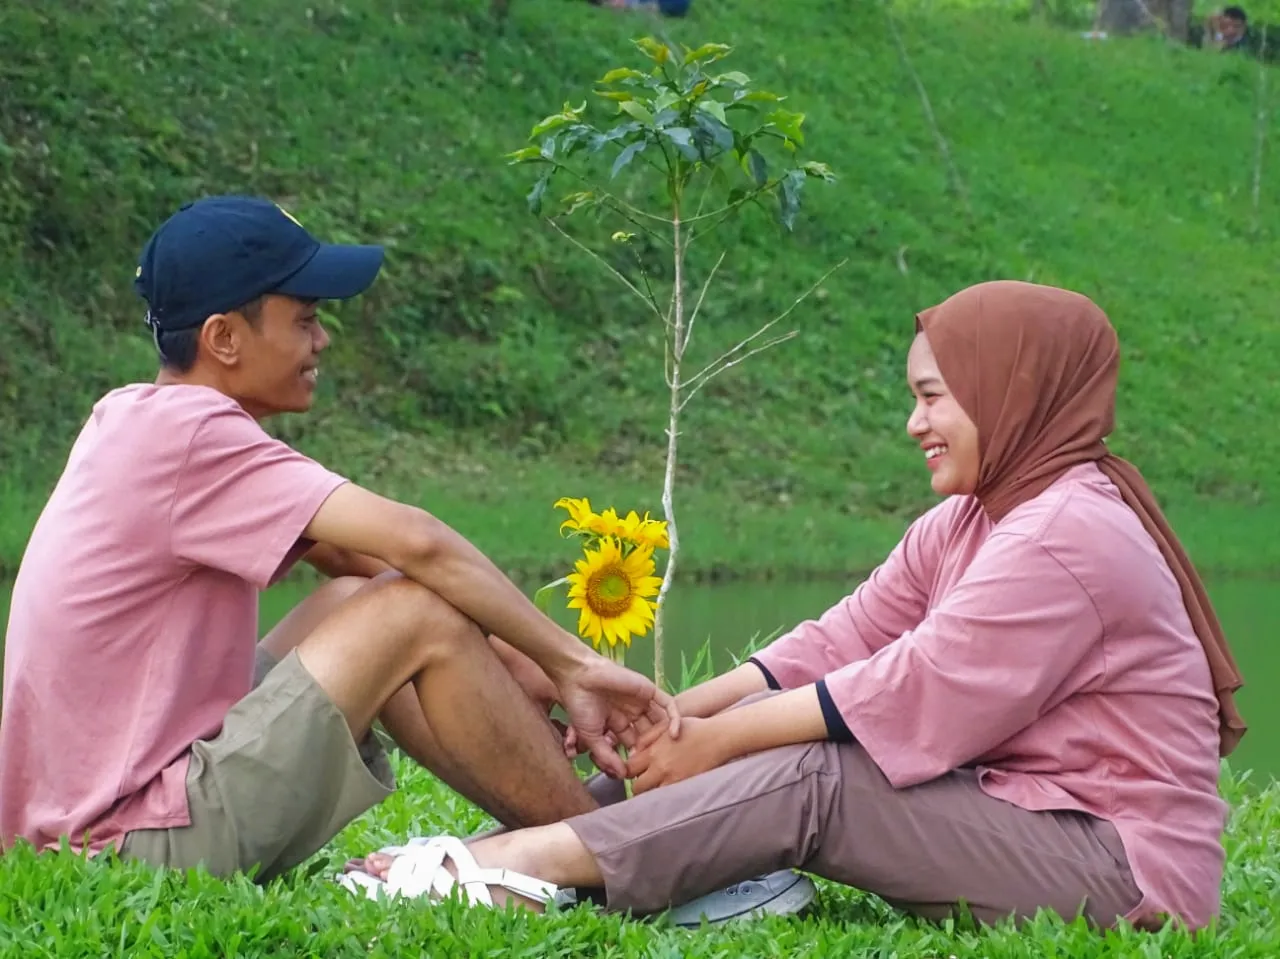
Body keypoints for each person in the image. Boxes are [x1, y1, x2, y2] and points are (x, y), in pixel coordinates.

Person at [341, 280, 1247, 933]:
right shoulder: (975, 517)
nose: (915, 424)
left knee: (820, 772)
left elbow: (910, 688)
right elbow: (843, 638)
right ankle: (522, 848)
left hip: (1118, 865)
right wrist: (674, 715)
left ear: (1012, 392)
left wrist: (719, 739)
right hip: (1026, 811)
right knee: (774, 743)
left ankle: (518, 864)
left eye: (933, 398)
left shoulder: (1066, 534)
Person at [0, 195, 689, 886]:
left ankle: (572, 833)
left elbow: (355, 556)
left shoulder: (136, 417)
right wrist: (572, 663)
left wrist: (523, 662)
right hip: (123, 848)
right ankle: (630, 861)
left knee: (359, 598)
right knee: (409, 613)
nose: (322, 340)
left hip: (92, 825)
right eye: (304, 319)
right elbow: (417, 542)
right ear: (224, 338)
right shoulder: (191, 435)